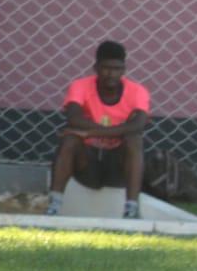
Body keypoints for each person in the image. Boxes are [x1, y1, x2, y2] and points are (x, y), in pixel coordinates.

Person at [45, 40, 150, 219]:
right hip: (87, 163)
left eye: (117, 69)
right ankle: (54, 206)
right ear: (96, 67)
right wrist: (114, 131)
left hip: (116, 165)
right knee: (70, 139)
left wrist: (91, 132)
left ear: (124, 70)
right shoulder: (80, 86)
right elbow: (74, 118)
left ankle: (131, 209)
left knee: (134, 140)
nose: (111, 74)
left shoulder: (137, 91)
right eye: (106, 68)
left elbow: (138, 125)